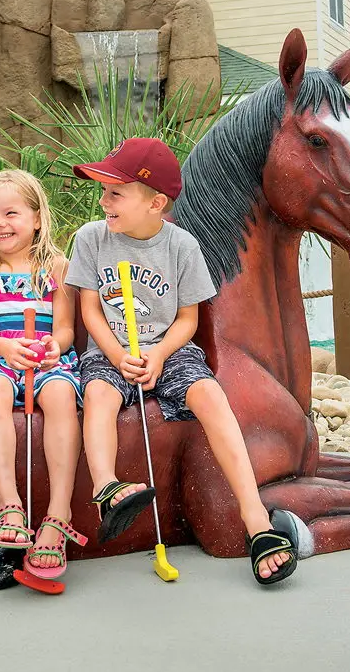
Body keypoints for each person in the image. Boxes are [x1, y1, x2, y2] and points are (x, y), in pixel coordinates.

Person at [66, 137, 297, 585]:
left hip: (168, 350)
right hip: (109, 350)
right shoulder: (91, 239)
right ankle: (106, 489)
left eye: (116, 192)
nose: (103, 201)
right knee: (97, 394)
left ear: (155, 203)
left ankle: (257, 523)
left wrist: (157, 353)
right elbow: (90, 310)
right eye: (103, 190)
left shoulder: (182, 246)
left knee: (209, 393)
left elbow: (188, 319)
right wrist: (117, 354)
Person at [0, 170, 85, 581]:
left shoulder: (58, 267)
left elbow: (64, 328)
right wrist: (7, 349)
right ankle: (9, 504)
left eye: (11, 213)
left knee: (62, 394)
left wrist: (53, 348)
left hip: (46, 361)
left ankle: (58, 513)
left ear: (37, 218)